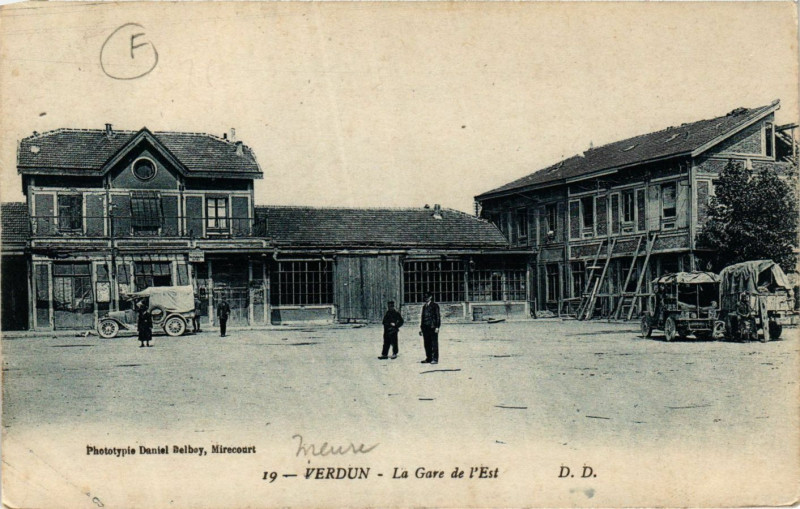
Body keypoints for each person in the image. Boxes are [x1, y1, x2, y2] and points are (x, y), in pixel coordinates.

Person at [419, 291, 440, 364]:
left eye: (427, 297)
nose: (426, 298)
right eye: (425, 297)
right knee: (427, 343)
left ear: (431, 297)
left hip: (432, 327)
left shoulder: (435, 306)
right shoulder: (424, 307)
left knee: (434, 343)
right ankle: (429, 358)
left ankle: (435, 359)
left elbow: (437, 317)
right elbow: (422, 318)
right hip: (425, 327)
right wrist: (421, 329)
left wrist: (437, 327)